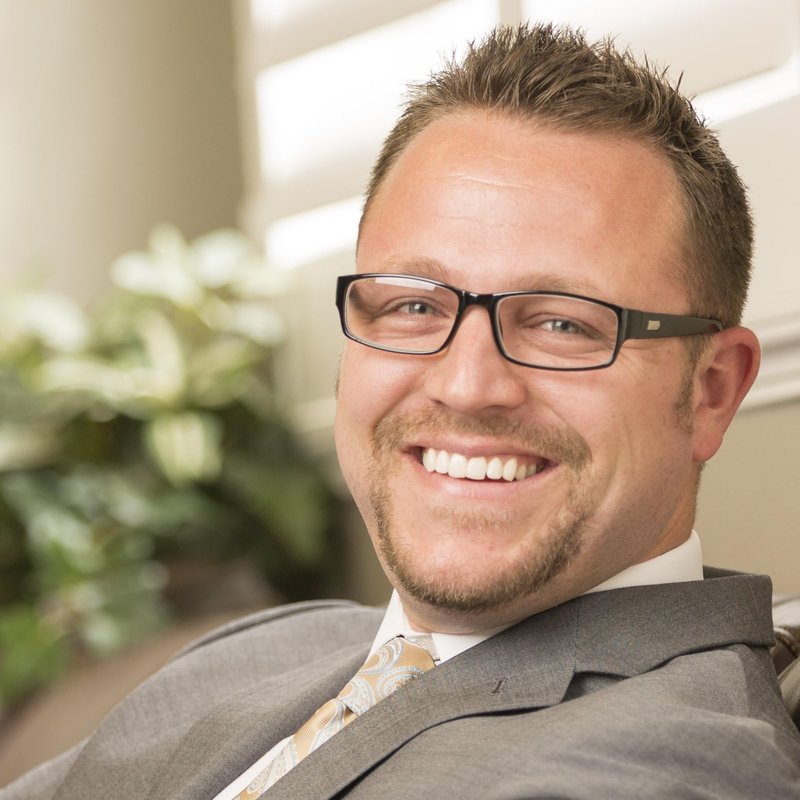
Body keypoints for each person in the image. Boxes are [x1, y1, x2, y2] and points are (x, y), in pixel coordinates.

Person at [4, 22, 800, 800]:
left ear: (712, 391)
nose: (467, 384)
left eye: (563, 323)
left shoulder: (669, 764)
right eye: (415, 306)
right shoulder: (259, 648)